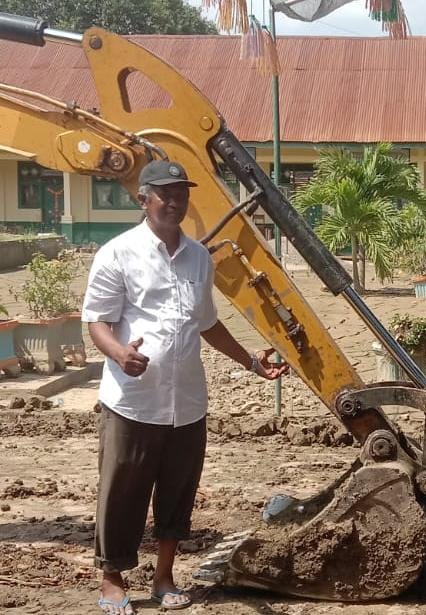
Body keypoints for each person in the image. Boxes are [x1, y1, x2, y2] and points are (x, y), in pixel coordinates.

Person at [82, 160, 288, 614]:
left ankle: (164, 576)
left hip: (187, 401)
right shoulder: (118, 253)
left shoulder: (198, 256)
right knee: (122, 491)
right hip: (133, 401)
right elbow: (97, 321)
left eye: (182, 194)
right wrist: (119, 353)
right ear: (143, 199)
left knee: (177, 492)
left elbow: (207, 323)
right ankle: (112, 579)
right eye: (165, 194)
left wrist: (251, 361)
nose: (175, 202)